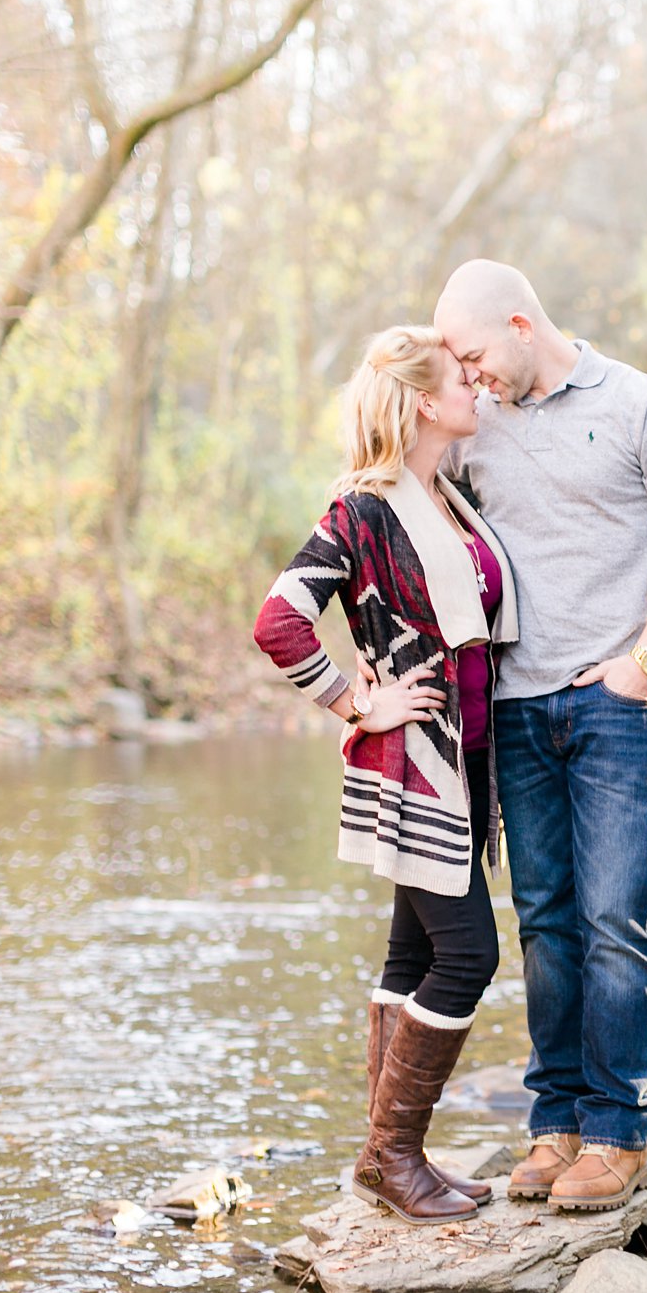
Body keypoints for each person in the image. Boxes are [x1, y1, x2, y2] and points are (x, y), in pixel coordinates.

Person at [429, 259, 647, 1213]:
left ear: (522, 323)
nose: (471, 378)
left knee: (613, 919)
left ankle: (616, 1131)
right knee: (547, 925)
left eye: (476, 356)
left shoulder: (646, 406)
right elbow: (408, 496)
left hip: (615, 702)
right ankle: (554, 1123)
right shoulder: (478, 424)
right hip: (515, 708)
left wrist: (645, 660)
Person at [252, 325, 516, 1225]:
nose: (475, 390)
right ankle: (391, 1155)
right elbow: (280, 620)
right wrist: (354, 701)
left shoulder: (447, 492)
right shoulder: (362, 508)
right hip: (415, 763)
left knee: (414, 952)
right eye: (459, 381)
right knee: (469, 953)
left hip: (468, 760)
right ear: (420, 402)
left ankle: (393, 1158)